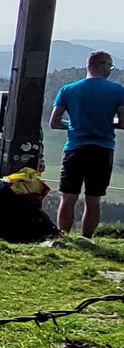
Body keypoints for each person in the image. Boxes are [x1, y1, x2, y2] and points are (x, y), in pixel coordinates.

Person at [49, 50, 124, 238]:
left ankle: (63, 238)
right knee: (93, 198)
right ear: (104, 65)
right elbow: (123, 122)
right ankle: (86, 239)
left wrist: (75, 124)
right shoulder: (117, 91)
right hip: (102, 150)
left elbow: (54, 122)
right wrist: (108, 122)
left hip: (75, 148)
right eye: (110, 66)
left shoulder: (68, 89)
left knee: (68, 197)